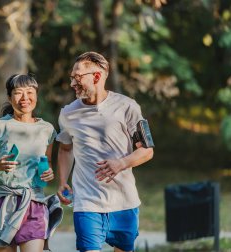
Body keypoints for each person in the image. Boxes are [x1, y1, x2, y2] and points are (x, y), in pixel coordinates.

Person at [56, 52, 154, 252]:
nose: (72, 83)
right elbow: (65, 148)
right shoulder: (68, 113)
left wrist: (121, 163)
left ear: (97, 77)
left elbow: (146, 151)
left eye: (77, 77)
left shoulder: (127, 107)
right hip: (87, 202)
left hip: (124, 201)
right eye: (71, 77)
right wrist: (63, 180)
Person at [0, 74, 63, 252]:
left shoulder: (47, 129)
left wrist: (49, 172)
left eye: (30, 92)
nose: (25, 98)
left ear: (36, 95)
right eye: (18, 93)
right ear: (9, 97)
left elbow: (47, 162)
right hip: (3, 204)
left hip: (34, 203)